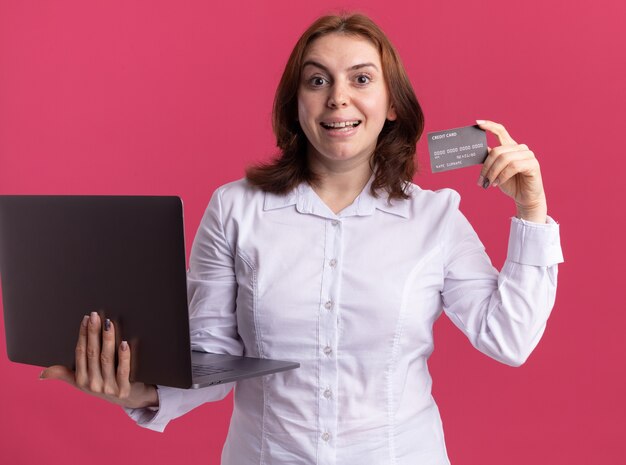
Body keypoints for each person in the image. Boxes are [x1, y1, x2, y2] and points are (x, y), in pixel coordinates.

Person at [40, 12, 564, 464]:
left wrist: (531, 210)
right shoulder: (234, 208)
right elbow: (214, 359)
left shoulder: (436, 218)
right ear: (296, 103)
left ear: (393, 104)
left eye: (361, 79)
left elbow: (508, 339)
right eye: (317, 81)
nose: (338, 98)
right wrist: (132, 389)